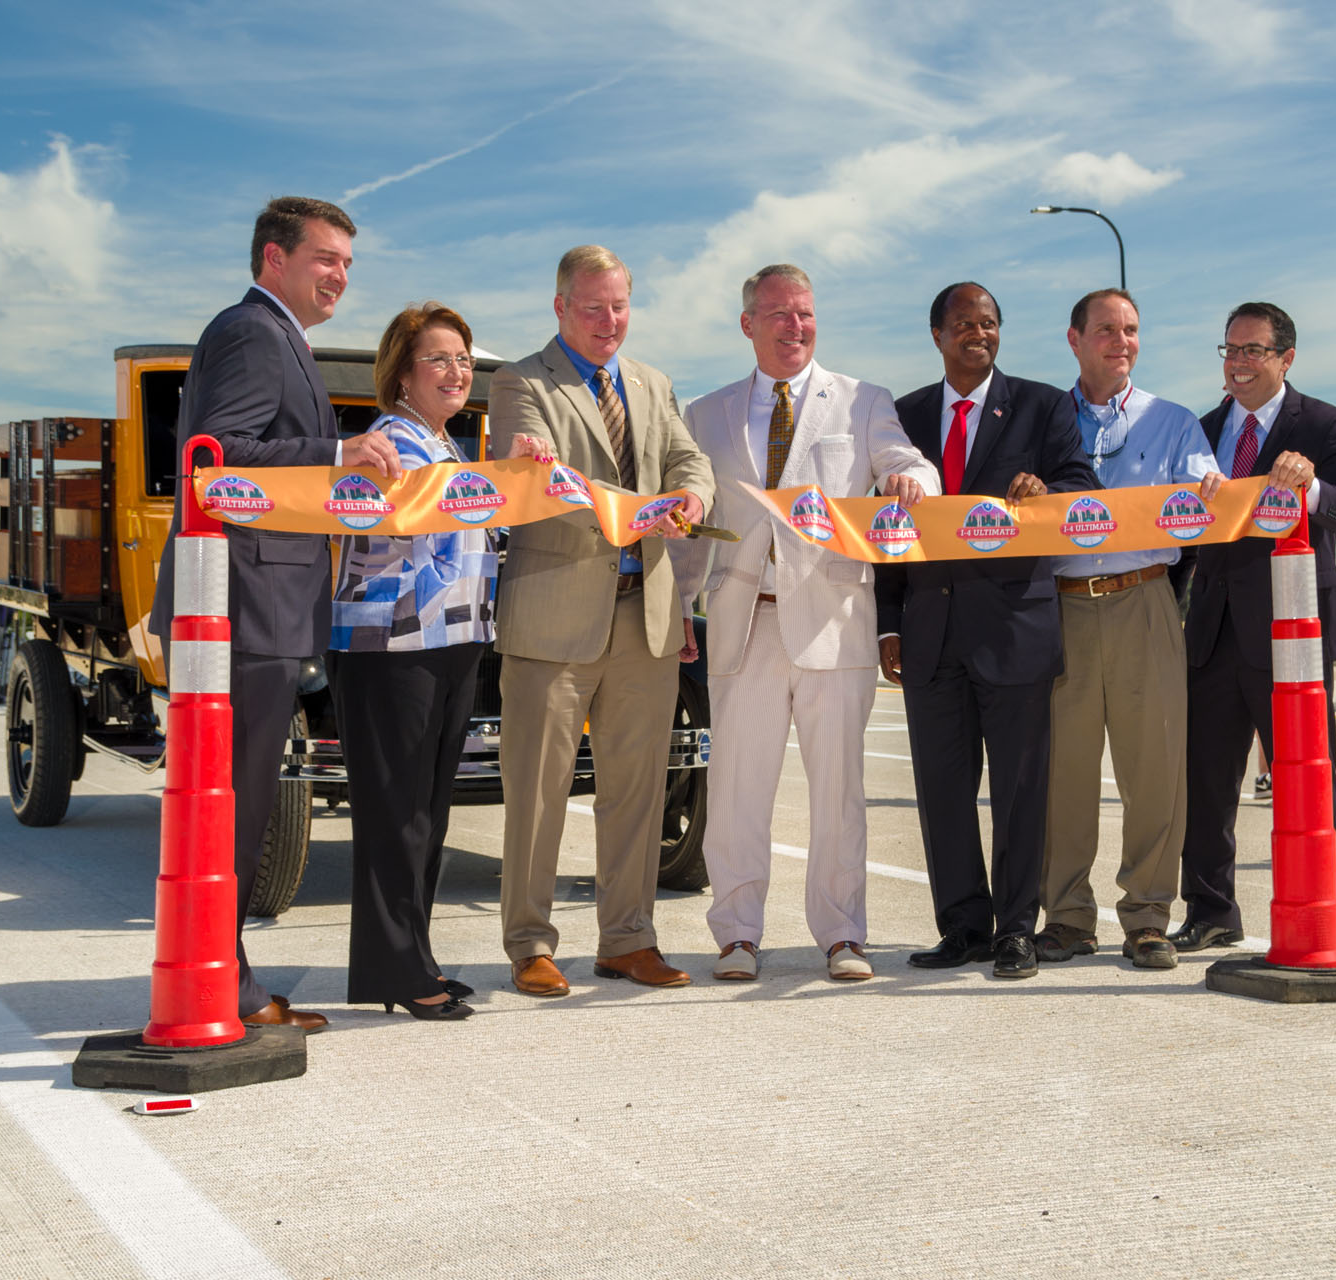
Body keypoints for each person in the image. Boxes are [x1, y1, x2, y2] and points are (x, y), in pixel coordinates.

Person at [147, 196, 402, 1034]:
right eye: (326, 258)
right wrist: (337, 452)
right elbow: (217, 454)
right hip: (241, 604)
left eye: (348, 264)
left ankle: (227, 974)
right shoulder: (254, 332)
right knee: (235, 799)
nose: (340, 276)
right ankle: (227, 985)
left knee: (240, 801)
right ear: (273, 260)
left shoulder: (276, 334)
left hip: (257, 602)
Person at [674, 264, 938, 983]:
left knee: (839, 792)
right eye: (779, 315)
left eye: (805, 314)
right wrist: (679, 606)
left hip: (834, 624)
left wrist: (914, 479)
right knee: (735, 791)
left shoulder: (862, 400)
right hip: (742, 625)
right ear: (747, 324)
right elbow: (691, 526)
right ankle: (735, 935)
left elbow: (906, 460)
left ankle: (843, 935)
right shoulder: (707, 413)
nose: (795, 327)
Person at [488, 245, 716, 996]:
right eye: (592, 307)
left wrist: (693, 500)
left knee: (638, 790)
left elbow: (689, 463)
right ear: (559, 308)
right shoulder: (521, 381)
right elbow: (523, 466)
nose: (609, 320)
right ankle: (529, 943)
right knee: (538, 789)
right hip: (554, 617)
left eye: (619, 305)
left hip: (643, 617)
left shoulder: (652, 384)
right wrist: (530, 460)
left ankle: (628, 938)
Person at [327, 302, 550, 1021]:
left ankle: (411, 961)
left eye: (463, 359)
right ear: (402, 371)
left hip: (449, 642)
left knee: (424, 816)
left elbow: (482, 523)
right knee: (397, 815)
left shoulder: (446, 445)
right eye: (439, 359)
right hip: (392, 646)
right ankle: (399, 971)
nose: (456, 371)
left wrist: (518, 474)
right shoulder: (389, 442)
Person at [876, 282, 1098, 980]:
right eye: (965, 324)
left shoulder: (1041, 405)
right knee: (941, 790)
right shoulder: (902, 417)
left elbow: (1081, 488)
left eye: (990, 323)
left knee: (1020, 789)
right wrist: (888, 626)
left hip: (1015, 631)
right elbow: (885, 527)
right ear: (937, 334)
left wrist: (1046, 496)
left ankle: (1015, 929)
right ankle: (964, 926)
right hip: (930, 631)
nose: (980, 333)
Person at [1170, 302, 1336, 951]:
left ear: (1286, 357)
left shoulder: (1328, 424)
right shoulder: (1197, 433)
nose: (1238, 363)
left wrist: (1311, 489)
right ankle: (1209, 910)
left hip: (1294, 633)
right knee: (1204, 779)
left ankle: (1327, 912)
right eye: (1230, 350)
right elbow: (1173, 535)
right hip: (1212, 632)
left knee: (1308, 777)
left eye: (1253, 350)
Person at [1035, 289, 1222, 971]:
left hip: (1143, 602)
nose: (1123, 341)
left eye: (1132, 330)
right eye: (1108, 330)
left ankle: (1147, 916)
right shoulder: (1041, 417)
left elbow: (1205, 491)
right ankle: (1066, 917)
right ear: (1075, 339)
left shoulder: (1173, 422)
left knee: (1154, 769)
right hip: (1059, 608)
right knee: (1065, 772)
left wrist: (1209, 489)